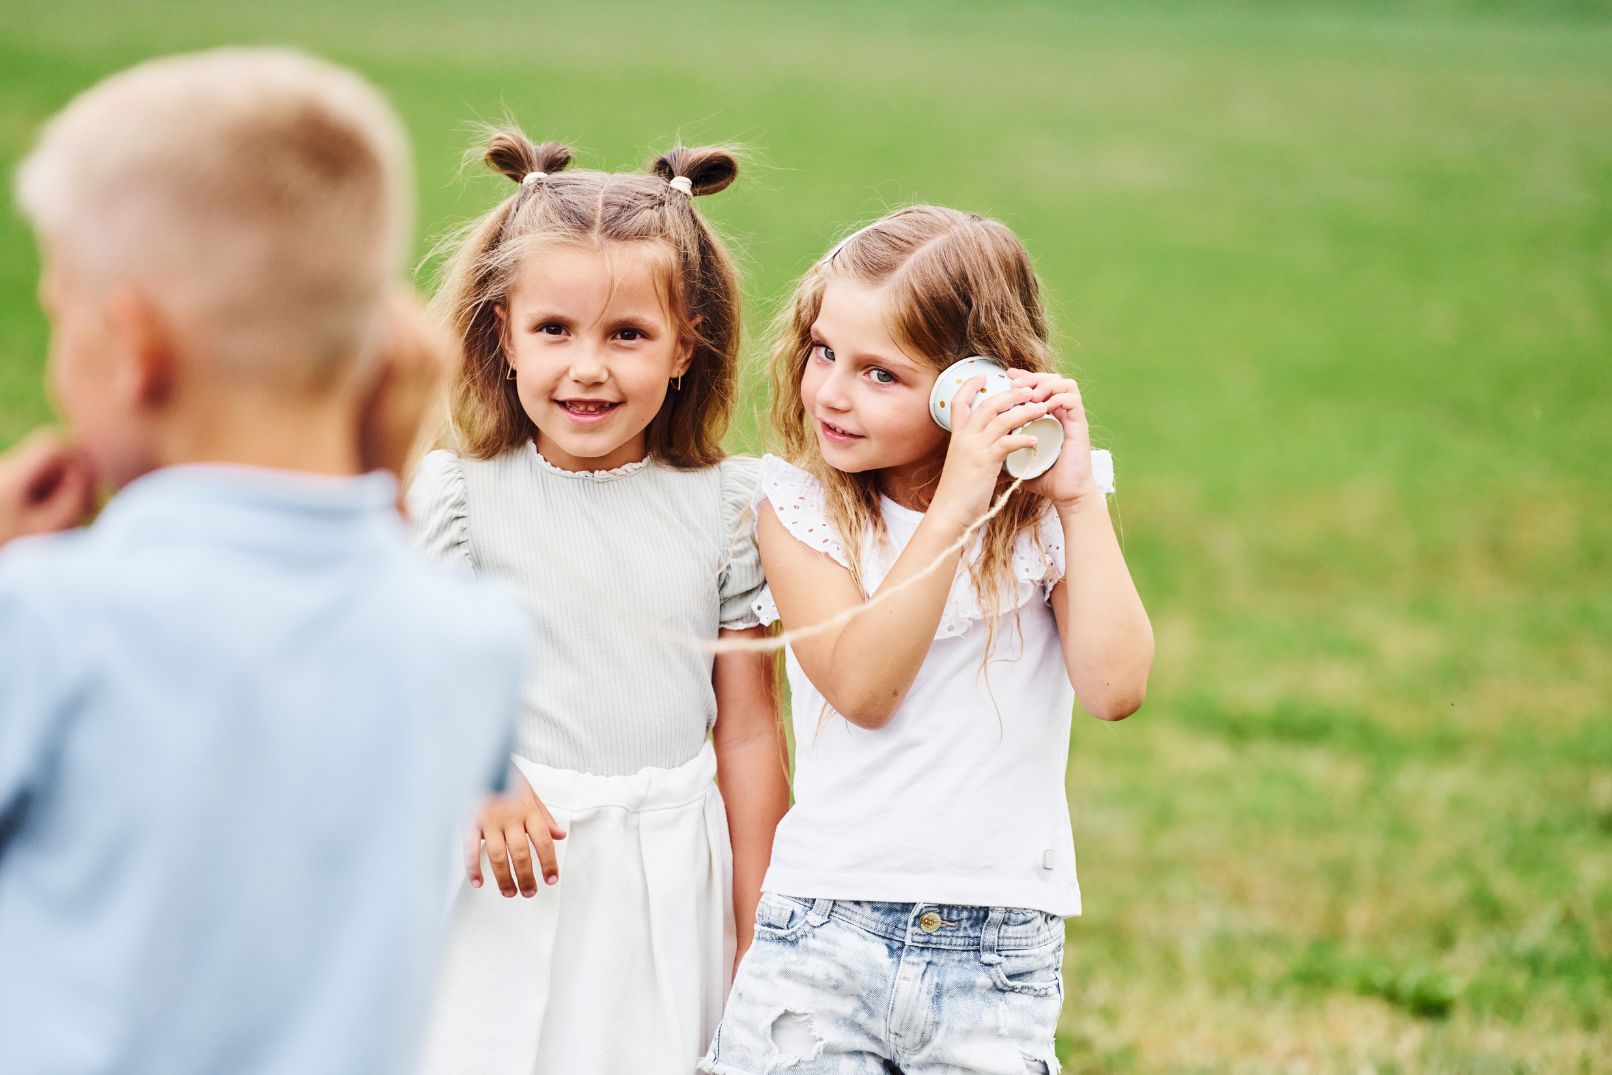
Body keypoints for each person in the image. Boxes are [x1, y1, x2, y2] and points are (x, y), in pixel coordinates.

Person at [0, 48, 529, 1075]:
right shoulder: (476, 639)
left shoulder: (49, 617)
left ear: (133, 347)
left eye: (59, 312)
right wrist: (376, 463)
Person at [701, 205, 1154, 1074]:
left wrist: (1075, 499)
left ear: (972, 388)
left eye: (881, 374)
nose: (832, 390)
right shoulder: (797, 510)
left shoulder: (1046, 516)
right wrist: (955, 499)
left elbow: (1115, 686)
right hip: (825, 927)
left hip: (999, 945)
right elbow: (864, 687)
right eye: (824, 351)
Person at [410, 129, 789, 1074]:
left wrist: (763, 930)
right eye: (554, 331)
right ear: (502, 333)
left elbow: (746, 733)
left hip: (664, 880)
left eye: (627, 335)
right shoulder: (460, 496)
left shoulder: (728, 507)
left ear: (683, 345)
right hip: (507, 868)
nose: (588, 367)